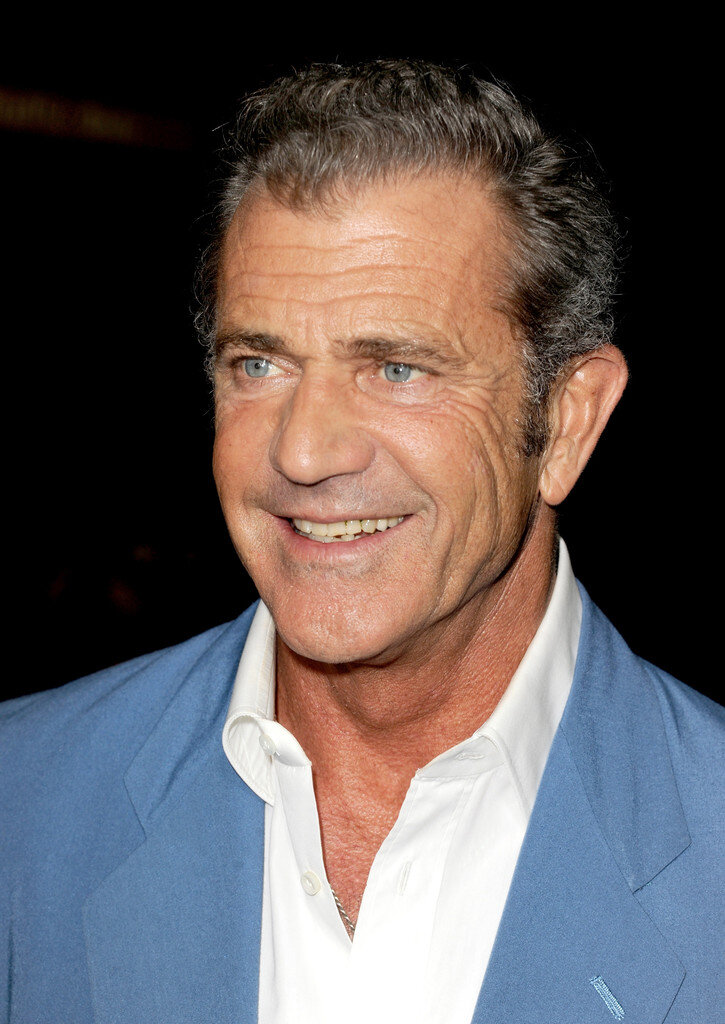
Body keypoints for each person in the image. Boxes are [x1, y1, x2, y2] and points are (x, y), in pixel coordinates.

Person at [1, 60, 722, 1024]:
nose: (301, 452)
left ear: (565, 422)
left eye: (396, 369)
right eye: (258, 364)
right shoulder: (23, 803)